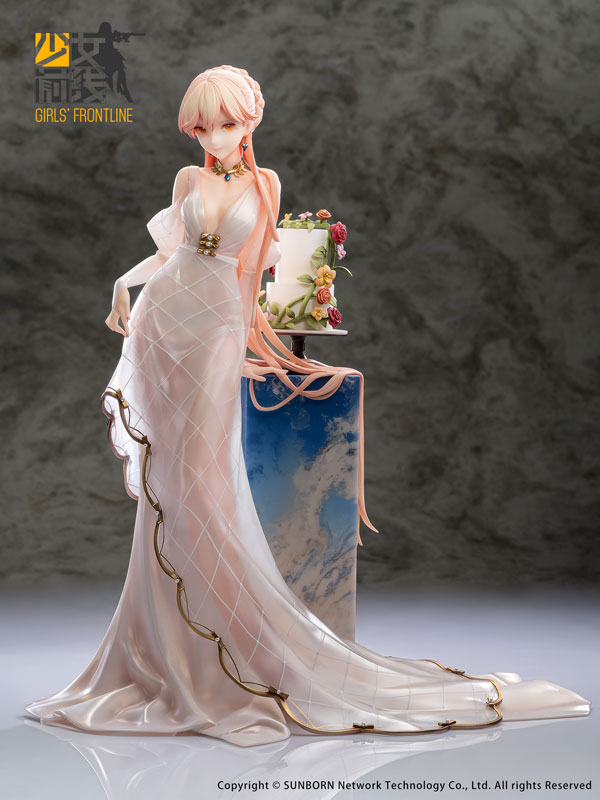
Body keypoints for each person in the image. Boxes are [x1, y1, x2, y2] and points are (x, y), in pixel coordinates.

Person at [24, 65, 591, 748]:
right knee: (166, 483)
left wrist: (262, 347)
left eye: (227, 124)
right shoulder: (187, 180)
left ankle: (221, 650)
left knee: (205, 480)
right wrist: (125, 280)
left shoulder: (265, 185)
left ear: (249, 123)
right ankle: (161, 649)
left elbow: (250, 279)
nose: (214, 137)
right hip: (164, 319)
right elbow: (172, 254)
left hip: (217, 329)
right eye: (202, 126)